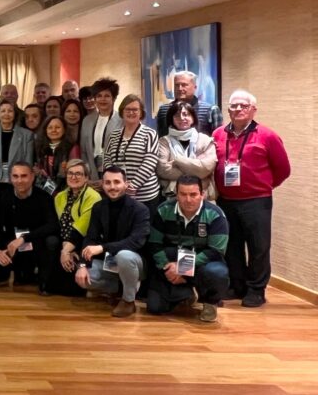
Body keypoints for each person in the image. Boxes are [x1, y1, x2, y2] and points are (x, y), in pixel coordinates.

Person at [212, 89, 291, 307]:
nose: (237, 109)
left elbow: (283, 169)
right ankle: (237, 286)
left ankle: (256, 290)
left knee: (258, 247)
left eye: (243, 106)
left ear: (253, 110)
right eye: (233, 106)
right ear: (228, 109)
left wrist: (262, 186)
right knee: (232, 246)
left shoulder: (267, 135)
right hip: (226, 200)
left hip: (257, 201)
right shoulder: (218, 134)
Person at [147, 175, 230, 322]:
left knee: (217, 272)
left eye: (193, 194)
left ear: (202, 195)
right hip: (172, 260)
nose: (188, 199)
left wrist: (182, 268)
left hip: (203, 261)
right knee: (155, 308)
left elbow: (216, 251)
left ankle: (210, 302)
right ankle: (186, 294)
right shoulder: (163, 210)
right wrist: (168, 269)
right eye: (183, 194)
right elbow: (154, 244)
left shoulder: (216, 215)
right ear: (176, 194)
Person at [74, 165, 151, 317]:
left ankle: (128, 301)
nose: (112, 187)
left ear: (126, 184)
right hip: (110, 263)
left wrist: (102, 248)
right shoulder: (98, 207)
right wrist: (82, 264)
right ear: (102, 185)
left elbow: (136, 242)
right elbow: (91, 237)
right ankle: (122, 289)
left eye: (117, 182)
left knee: (124, 255)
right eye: (108, 183)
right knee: (83, 278)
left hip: (134, 263)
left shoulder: (140, 209)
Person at [0, 162, 60, 292]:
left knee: (52, 240)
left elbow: (53, 225)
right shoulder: (3, 196)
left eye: (24, 176)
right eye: (15, 176)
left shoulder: (44, 197)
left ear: (32, 177)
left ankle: (45, 281)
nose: (19, 180)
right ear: (11, 178)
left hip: (36, 240)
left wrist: (24, 238)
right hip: (12, 242)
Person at [104, 94, 161, 209]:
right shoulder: (114, 135)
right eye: (128, 109)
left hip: (145, 195)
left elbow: (150, 162)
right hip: (119, 193)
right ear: (122, 111)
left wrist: (133, 185)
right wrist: (116, 184)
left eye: (135, 109)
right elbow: (107, 159)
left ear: (141, 113)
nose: (131, 112)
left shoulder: (149, 133)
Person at [56, 159, 102, 296]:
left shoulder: (93, 197)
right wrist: (65, 249)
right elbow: (59, 225)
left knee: (72, 291)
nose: (73, 177)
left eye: (78, 174)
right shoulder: (60, 196)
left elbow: (82, 227)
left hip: (84, 241)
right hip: (65, 242)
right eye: (70, 173)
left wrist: (66, 252)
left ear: (86, 177)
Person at [156, 101, 217, 199]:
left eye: (186, 114)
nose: (182, 118)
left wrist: (178, 161)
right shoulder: (163, 142)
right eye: (176, 115)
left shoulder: (205, 140)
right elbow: (162, 169)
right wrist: (196, 168)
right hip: (172, 197)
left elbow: (206, 168)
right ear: (171, 119)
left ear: (193, 118)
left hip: (203, 197)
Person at [0, 100, 35, 188]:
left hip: (17, 178)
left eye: (10, 111)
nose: (6, 114)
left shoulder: (26, 134)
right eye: (3, 111)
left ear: (15, 114)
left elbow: (28, 162)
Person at [155, 70, 223, 137]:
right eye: (177, 85)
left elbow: (218, 139)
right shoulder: (164, 110)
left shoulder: (211, 110)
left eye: (184, 85)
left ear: (195, 87)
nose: (180, 88)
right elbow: (161, 137)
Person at [79, 77, 121, 181]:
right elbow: (84, 150)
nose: (102, 99)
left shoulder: (122, 120)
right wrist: (87, 172)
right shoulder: (87, 120)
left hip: (115, 171)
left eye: (107, 96)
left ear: (114, 98)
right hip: (92, 171)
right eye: (99, 96)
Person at [34, 116, 78, 195]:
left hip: (66, 190)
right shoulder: (39, 148)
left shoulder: (72, 148)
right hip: (43, 190)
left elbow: (74, 171)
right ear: (45, 130)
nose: (53, 130)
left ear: (64, 130)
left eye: (57, 127)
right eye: (50, 128)